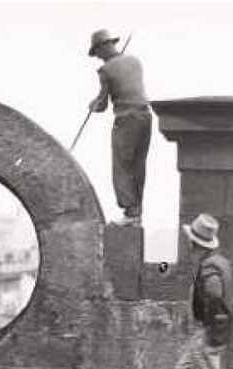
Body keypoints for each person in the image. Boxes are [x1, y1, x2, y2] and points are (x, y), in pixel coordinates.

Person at [175, 214, 233, 369]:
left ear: (194, 244)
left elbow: (214, 295)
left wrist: (211, 332)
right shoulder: (217, 261)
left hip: (208, 332)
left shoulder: (210, 267)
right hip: (207, 331)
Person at [87, 29, 152, 226]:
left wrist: (93, 104)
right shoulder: (135, 61)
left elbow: (103, 105)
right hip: (145, 116)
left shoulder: (105, 70)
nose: (98, 58)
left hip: (126, 120)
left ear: (103, 47)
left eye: (97, 53)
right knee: (138, 165)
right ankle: (136, 212)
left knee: (122, 166)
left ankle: (130, 213)